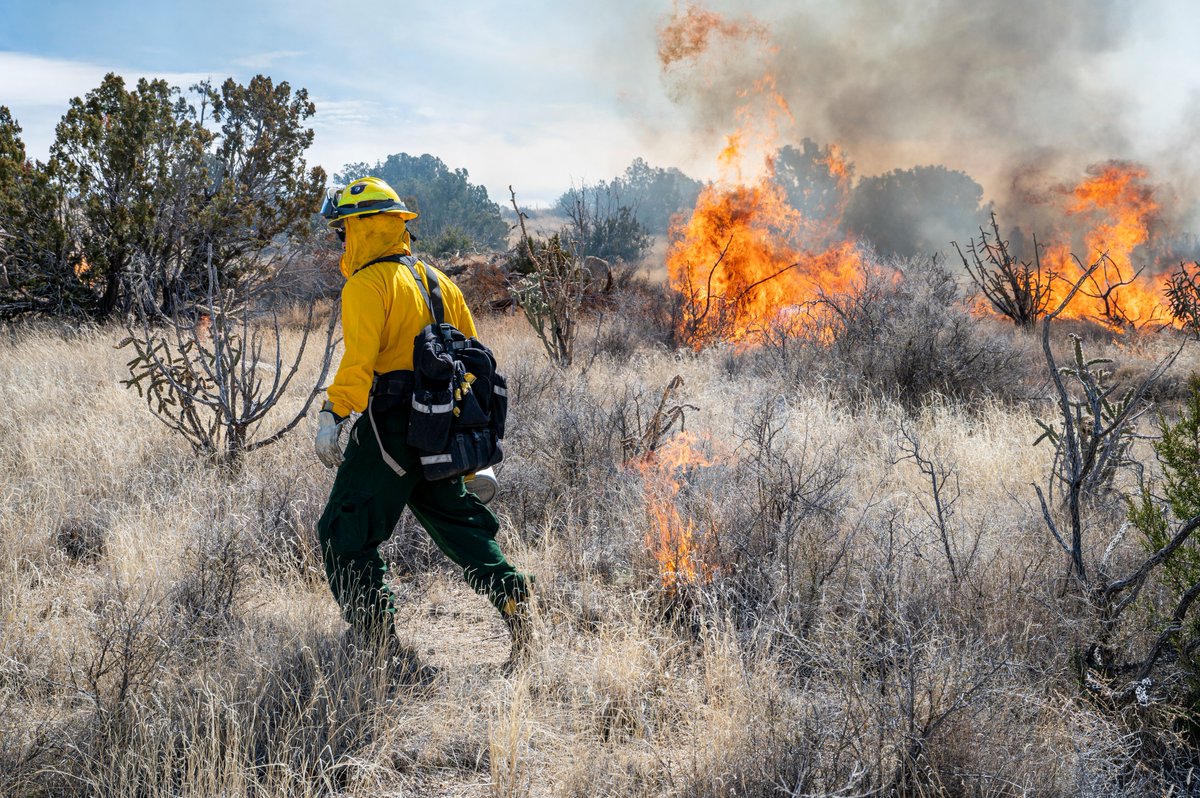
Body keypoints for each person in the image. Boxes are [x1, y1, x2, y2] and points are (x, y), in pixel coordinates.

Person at [313, 176, 534, 673]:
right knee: (462, 528)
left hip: (390, 431)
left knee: (343, 533)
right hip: (441, 428)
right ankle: (518, 601)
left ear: (365, 228)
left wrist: (333, 414)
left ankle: (378, 646)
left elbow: (359, 364)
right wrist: (473, 445)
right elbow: (473, 360)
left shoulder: (366, 285)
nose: (341, 241)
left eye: (344, 230)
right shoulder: (441, 282)